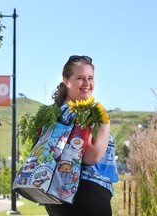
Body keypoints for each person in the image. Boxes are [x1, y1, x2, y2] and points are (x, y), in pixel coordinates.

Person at [45, 55, 118, 216]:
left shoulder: (56, 112)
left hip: (59, 193)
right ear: (66, 80)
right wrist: (105, 123)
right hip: (85, 193)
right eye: (80, 78)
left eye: (90, 78)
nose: (87, 84)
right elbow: (91, 156)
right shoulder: (76, 113)